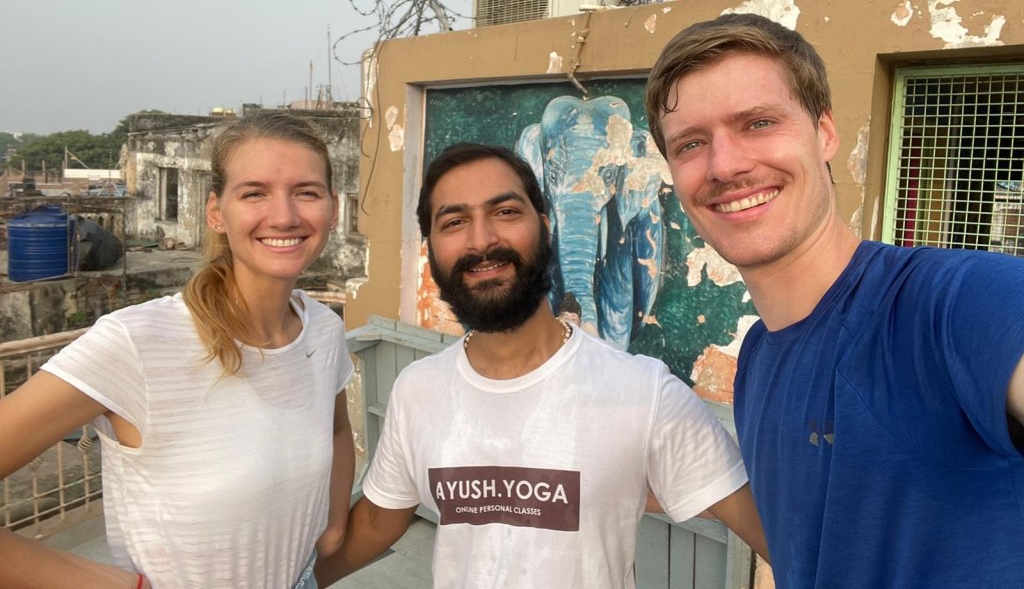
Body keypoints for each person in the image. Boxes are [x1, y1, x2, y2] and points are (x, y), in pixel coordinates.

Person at [644, 13, 1024, 588]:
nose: (725, 165)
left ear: (824, 131)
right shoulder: (758, 360)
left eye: (759, 122)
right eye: (691, 144)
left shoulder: (954, 302)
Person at [316, 142, 768, 588]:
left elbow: (781, 534)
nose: (482, 240)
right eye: (454, 222)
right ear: (431, 248)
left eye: (506, 212)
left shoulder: (643, 391)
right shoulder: (418, 389)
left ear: (546, 227)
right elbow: (377, 519)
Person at [0, 112, 356, 589]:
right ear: (216, 211)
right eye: (254, 192)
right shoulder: (136, 344)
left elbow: (334, 429)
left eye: (306, 192)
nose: (285, 216)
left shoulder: (322, 331)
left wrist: (332, 529)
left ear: (333, 207)